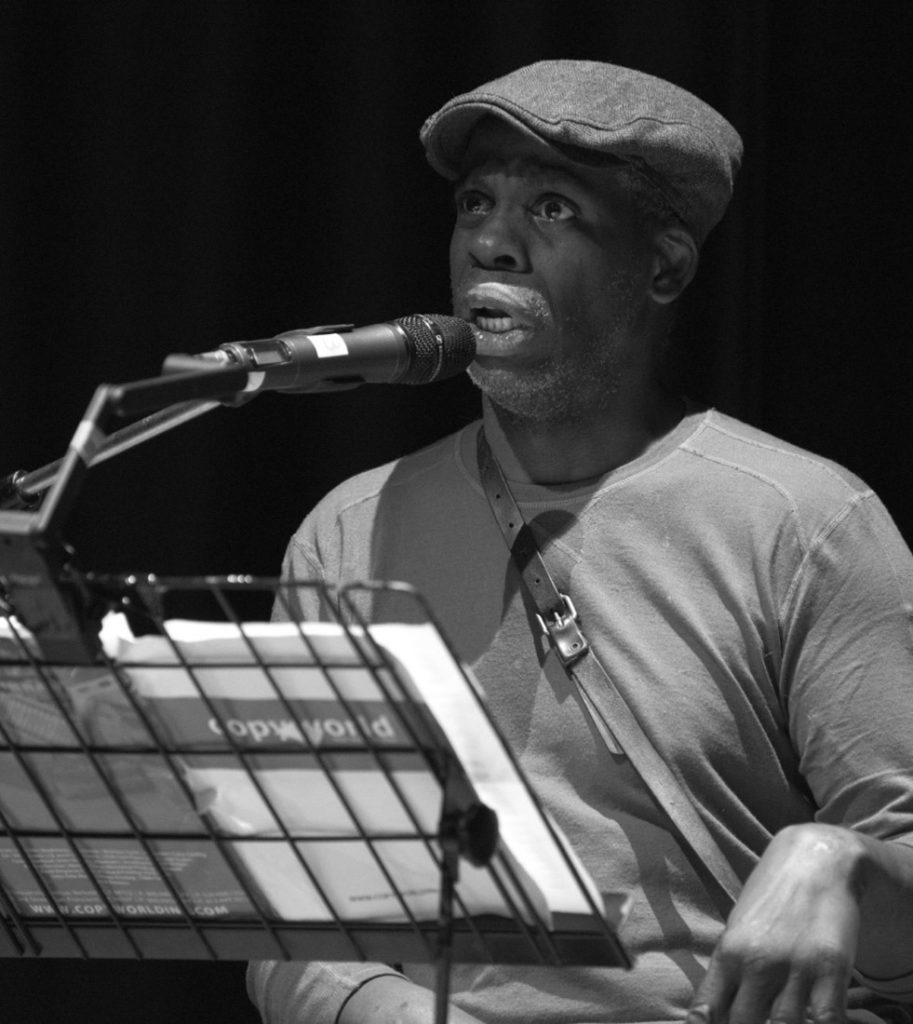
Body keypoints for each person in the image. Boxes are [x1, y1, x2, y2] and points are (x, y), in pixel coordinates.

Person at [247, 60, 913, 1024]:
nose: (491, 240)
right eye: (476, 201)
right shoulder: (349, 532)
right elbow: (289, 915)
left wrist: (838, 863)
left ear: (665, 267)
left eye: (551, 208)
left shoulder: (802, 520)